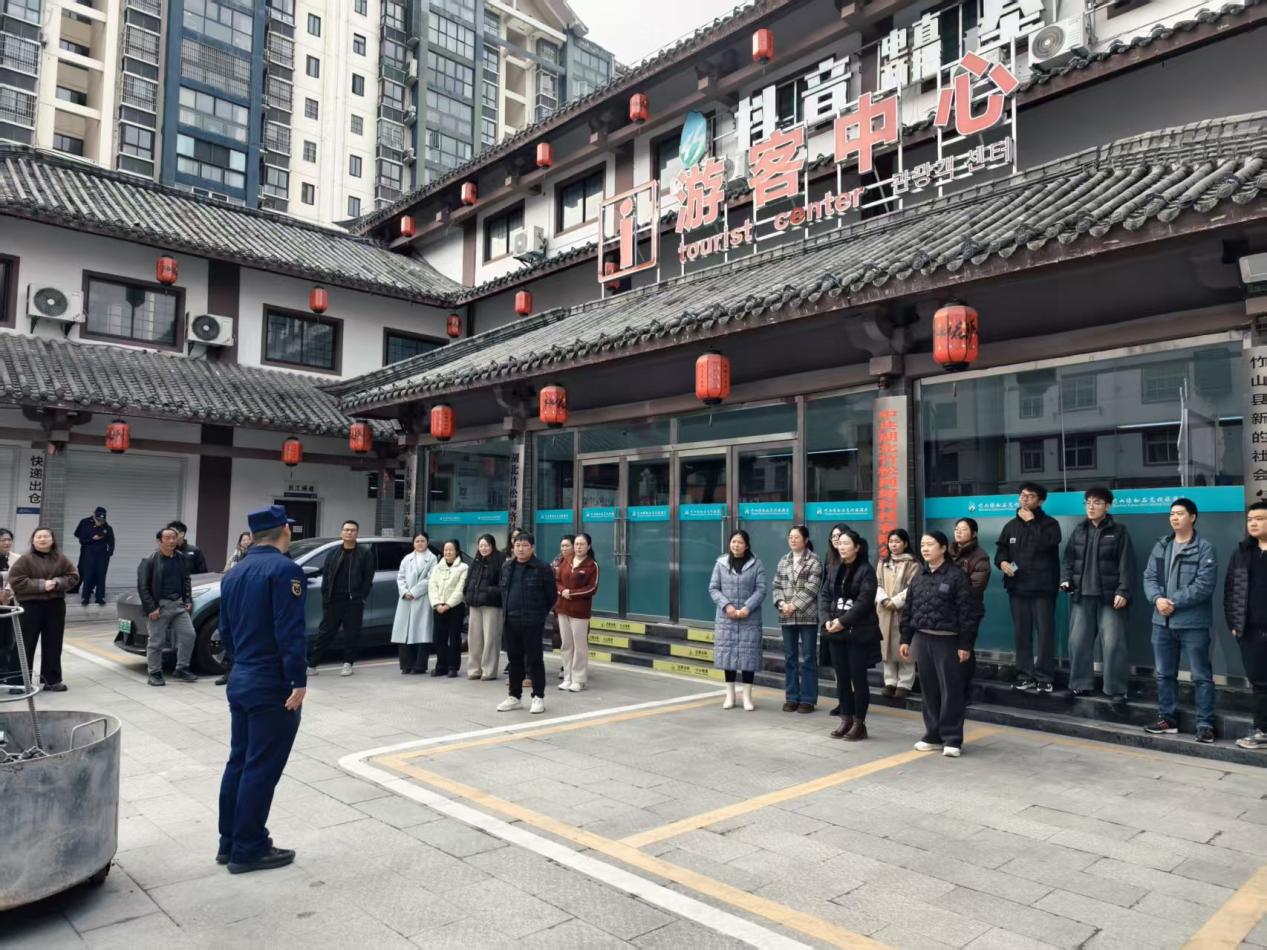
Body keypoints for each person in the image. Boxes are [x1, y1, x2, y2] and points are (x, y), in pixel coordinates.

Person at [216, 505, 307, 874]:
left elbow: (225, 631)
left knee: (239, 760)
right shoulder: (284, 570)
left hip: (242, 675)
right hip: (271, 681)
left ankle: (229, 842)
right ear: (285, 530)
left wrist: (240, 665)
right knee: (261, 766)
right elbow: (290, 630)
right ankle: (249, 847)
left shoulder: (233, 573)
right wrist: (298, 679)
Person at [1142, 498, 1218, 742]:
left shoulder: (1204, 548)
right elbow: (1149, 577)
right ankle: (1167, 719)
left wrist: (1171, 602)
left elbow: (1204, 586)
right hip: (1161, 622)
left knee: (1201, 676)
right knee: (1164, 674)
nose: (1174, 518)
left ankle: (1205, 724)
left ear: (1192, 517)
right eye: (1171, 514)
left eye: (1180, 513)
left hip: (1193, 624)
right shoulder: (1162, 545)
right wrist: (1157, 600)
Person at [900, 532, 980, 757]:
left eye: (930, 545)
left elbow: (967, 613)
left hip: (948, 640)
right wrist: (905, 639)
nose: (925, 549)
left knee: (951, 690)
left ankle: (952, 738)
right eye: (922, 545)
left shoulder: (956, 576)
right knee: (929, 690)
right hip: (923, 638)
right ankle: (933, 735)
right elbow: (909, 609)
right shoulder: (919, 575)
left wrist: (965, 644)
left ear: (943, 548)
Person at [1060, 488, 1136, 705]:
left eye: (1097, 502)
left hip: (1110, 598)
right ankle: (1080, 684)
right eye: (1088, 503)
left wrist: (1123, 591)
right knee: (1078, 642)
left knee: (1113, 644)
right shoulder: (1079, 530)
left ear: (1108, 506)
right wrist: (1065, 579)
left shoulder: (1119, 531)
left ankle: (1116, 689)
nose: (1091, 507)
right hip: (1081, 596)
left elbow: (1127, 565)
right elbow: (1068, 560)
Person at [995, 482, 1062, 693]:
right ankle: (1025, 675)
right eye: (1022, 495)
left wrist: (1031, 522)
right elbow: (1001, 550)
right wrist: (1002, 563)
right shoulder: (1011, 526)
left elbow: (1046, 545)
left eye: (1030, 496)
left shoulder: (1050, 524)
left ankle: (1044, 676)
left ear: (1040, 501)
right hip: (1017, 587)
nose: (1024, 499)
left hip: (1043, 587)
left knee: (1045, 633)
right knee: (1021, 633)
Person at [820, 528, 881, 740]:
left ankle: (859, 723)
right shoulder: (834, 568)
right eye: (840, 543)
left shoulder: (866, 571)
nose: (842, 547)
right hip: (835, 632)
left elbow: (864, 602)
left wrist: (842, 622)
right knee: (842, 679)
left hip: (858, 632)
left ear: (857, 547)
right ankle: (845, 719)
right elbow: (825, 596)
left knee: (858, 678)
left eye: (847, 543)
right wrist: (827, 620)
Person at [8, 527, 78, 692]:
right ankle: (18, 682)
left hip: (55, 605)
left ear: (52, 540)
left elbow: (74, 576)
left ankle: (52, 680)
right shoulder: (25, 559)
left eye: (46, 536)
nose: (42, 539)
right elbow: (16, 581)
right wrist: (41, 585)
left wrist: (57, 583)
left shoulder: (61, 559)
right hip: (30, 606)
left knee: (53, 643)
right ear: (33, 541)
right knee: (25, 643)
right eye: (38, 537)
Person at [496, 532, 556, 714]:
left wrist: (538, 615)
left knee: (534, 660)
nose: (520, 549)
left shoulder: (542, 568)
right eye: (517, 545)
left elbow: (551, 596)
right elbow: (503, 591)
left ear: (532, 547)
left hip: (532, 622)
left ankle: (538, 697)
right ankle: (514, 696)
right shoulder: (507, 566)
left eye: (524, 546)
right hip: (510, 621)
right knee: (514, 660)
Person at [1224, 502, 1267, 751]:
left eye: (1259, 518)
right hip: (1250, 630)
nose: (1253, 523)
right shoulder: (1242, 552)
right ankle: (1262, 731)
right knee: (1259, 683)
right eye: (1250, 519)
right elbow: (1230, 590)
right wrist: (1234, 623)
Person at [306, 520, 374, 677]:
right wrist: (326, 596)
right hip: (334, 600)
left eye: (352, 530)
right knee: (325, 633)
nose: (349, 532)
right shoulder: (334, 553)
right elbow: (327, 576)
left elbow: (368, 577)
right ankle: (312, 665)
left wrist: (361, 597)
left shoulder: (364, 553)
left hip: (353, 601)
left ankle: (348, 663)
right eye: (346, 530)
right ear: (341, 532)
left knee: (352, 634)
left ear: (357, 533)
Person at [709, 529, 767, 711]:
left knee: (749, 656)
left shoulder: (756, 564)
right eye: (733, 541)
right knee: (728, 656)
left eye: (740, 542)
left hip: (750, 618)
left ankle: (747, 697)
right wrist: (727, 606)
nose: (736, 545)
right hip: (727, 618)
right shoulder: (721, 563)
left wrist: (747, 607)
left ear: (746, 545)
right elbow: (713, 588)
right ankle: (730, 695)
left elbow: (761, 589)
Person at [137, 526, 198, 687]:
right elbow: (143, 587)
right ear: (159, 541)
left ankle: (182, 668)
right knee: (156, 641)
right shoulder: (149, 560)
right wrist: (151, 608)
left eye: (174, 537)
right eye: (167, 538)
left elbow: (186, 579)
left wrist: (187, 599)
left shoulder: (181, 558)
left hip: (178, 604)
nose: (172, 541)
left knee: (189, 635)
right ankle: (155, 673)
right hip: (159, 606)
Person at [773, 525, 823, 713]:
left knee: (809, 657)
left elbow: (813, 587)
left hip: (806, 615)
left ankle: (808, 699)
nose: (793, 540)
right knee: (790, 657)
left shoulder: (814, 560)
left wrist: (792, 605)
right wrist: (781, 604)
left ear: (806, 540)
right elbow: (776, 585)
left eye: (796, 537)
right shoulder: (783, 560)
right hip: (786, 616)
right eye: (790, 537)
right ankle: (791, 697)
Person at [950, 517, 991, 703]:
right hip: (947, 610)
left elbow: (976, 587)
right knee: (950, 651)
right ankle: (951, 691)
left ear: (973, 533)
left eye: (963, 529)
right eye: (956, 529)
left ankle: (964, 692)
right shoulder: (947, 552)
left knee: (965, 650)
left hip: (969, 610)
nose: (958, 532)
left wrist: (949, 593)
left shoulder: (980, 556)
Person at [876, 529, 919, 699]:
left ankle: (905, 683)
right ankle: (890, 681)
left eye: (897, 541)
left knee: (905, 647)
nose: (893, 545)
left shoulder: (912, 563)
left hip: (903, 610)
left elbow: (913, 587)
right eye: (891, 541)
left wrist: (896, 601)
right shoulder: (883, 562)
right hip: (885, 610)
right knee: (886, 647)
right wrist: (884, 600)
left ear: (905, 543)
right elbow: (877, 583)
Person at [556, 532, 600, 692]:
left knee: (579, 646)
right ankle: (567, 677)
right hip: (563, 608)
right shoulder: (566, 561)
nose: (578, 547)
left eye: (582, 544)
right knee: (566, 645)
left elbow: (592, 588)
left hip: (580, 611)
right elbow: (557, 581)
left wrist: (571, 593)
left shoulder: (592, 565)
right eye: (576, 544)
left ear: (588, 546)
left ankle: (579, 679)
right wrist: (562, 591)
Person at [392, 532, 437, 674]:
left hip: (422, 599)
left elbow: (431, 579)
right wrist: (405, 591)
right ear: (413, 543)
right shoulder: (407, 558)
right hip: (406, 600)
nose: (420, 543)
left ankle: (419, 666)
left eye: (423, 541)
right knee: (404, 633)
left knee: (421, 632)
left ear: (427, 542)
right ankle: (406, 665)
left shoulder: (432, 559)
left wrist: (414, 592)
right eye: (417, 541)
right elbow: (400, 577)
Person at [465, 534, 503, 680]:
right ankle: (474, 670)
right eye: (481, 546)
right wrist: (467, 594)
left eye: (486, 545)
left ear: (492, 546)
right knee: (474, 639)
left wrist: (489, 591)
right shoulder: (476, 561)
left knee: (490, 639)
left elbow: (502, 585)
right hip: (475, 604)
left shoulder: (499, 561)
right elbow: (469, 580)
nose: (483, 548)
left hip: (491, 604)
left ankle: (489, 671)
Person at [428, 540, 468, 678]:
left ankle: (453, 667)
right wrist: (437, 604)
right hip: (438, 607)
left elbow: (460, 590)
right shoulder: (437, 568)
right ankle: (441, 666)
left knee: (454, 637)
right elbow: (432, 587)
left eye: (451, 550)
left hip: (455, 607)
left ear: (457, 551)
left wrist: (448, 605)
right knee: (440, 638)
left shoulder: (463, 568)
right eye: (445, 550)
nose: (447, 552)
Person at [73, 506, 114, 607]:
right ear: (94, 515)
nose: (100, 521)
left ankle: (100, 597)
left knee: (101, 575)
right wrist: (92, 539)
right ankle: (84, 597)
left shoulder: (107, 527)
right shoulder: (85, 523)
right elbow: (80, 538)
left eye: (102, 520)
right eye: (98, 519)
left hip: (102, 556)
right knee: (87, 574)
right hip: (88, 553)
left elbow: (111, 541)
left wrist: (109, 553)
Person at [0, 528, 16, 684]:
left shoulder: (14, 559)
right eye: (3, 540)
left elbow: (18, 578)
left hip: (8, 605)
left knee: (6, 640)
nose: (7, 542)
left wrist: (8, 591)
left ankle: (4, 673)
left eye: (9, 539)